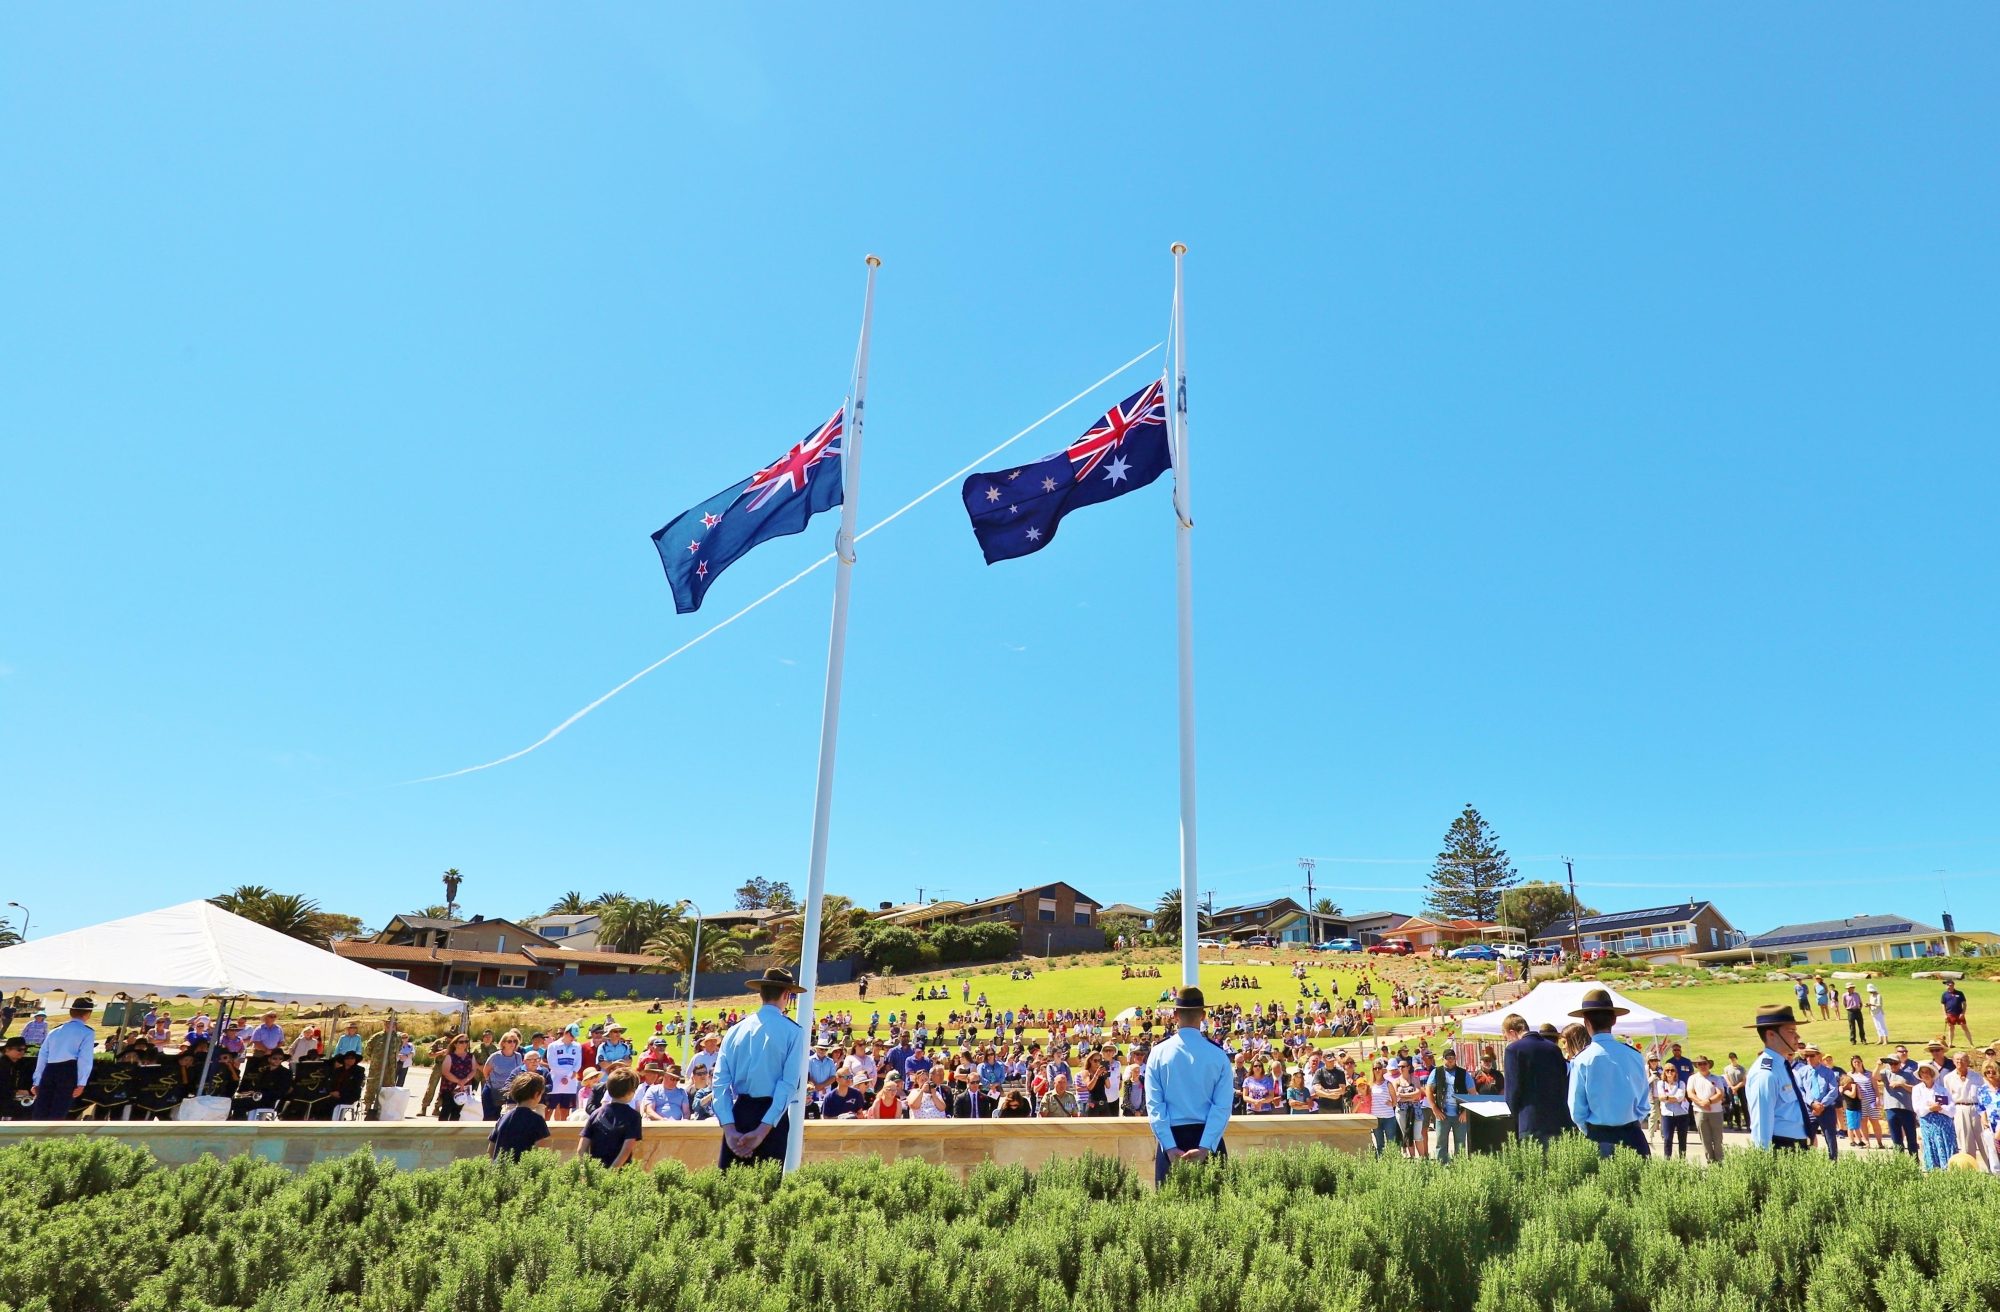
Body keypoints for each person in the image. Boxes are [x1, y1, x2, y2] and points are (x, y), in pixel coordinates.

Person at [713, 967, 804, 1169]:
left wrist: (729, 1129)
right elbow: (788, 1085)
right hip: (772, 1117)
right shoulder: (793, 1031)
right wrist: (763, 1131)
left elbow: (719, 1084)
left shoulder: (735, 1030)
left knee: (728, 1190)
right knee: (766, 1193)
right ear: (786, 995)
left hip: (739, 1113)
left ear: (760, 993)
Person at [1142, 986, 1232, 1184]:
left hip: (1172, 1138)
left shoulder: (1158, 1054)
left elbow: (1155, 1107)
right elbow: (1222, 1107)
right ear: (1203, 1015)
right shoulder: (1218, 1055)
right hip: (1208, 1138)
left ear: (1175, 1014)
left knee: (1170, 1210)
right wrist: (1206, 1146)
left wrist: (1169, 1146)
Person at [1565, 989, 1650, 1158]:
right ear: (1614, 1020)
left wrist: (1589, 1130)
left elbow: (1576, 1109)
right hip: (1632, 1134)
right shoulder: (1633, 1055)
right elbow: (1643, 1102)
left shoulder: (1582, 1060)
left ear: (1586, 1022)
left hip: (1598, 1136)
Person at [1744, 1004, 1813, 1151]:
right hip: (1781, 1147)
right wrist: (1764, 1162)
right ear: (1771, 1035)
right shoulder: (1765, 1073)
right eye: (1791, 1031)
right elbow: (1761, 1124)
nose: (1797, 1036)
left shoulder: (1782, 1066)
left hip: (1796, 1144)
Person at [1501, 1014, 1571, 1146]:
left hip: (1530, 1120)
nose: (1507, 1041)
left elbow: (1512, 1091)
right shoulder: (1553, 1048)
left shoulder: (1513, 1049)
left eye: (1506, 1038)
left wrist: (1516, 1115)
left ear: (1512, 1032)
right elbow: (1562, 1082)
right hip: (1557, 1119)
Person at [29, 998, 97, 1121]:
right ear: (88, 1014)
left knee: (42, 1106)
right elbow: (85, 1059)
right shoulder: (87, 1032)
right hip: (68, 1071)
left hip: (50, 1069)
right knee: (59, 1109)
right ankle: (50, 1137)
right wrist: (81, 1083)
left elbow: (42, 1056)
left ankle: (35, 1136)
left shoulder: (55, 1031)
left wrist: (37, 1080)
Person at [576, 1068, 643, 1169]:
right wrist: (612, 1172)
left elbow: (581, 1149)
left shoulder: (596, 1113)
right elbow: (626, 1149)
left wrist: (586, 1170)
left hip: (596, 1171)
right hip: (620, 1173)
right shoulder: (633, 1116)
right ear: (631, 1092)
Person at [1939, 1049, 1989, 1166]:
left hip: (1977, 1109)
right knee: (1965, 1142)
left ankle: (1993, 1170)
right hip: (1959, 1109)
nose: (1960, 1062)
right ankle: (1970, 1171)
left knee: (1984, 1140)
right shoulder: (1948, 1078)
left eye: (1963, 1060)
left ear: (1967, 1061)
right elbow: (1947, 1097)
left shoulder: (1977, 1077)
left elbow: (1983, 1095)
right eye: (1957, 1060)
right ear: (1953, 1062)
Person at [488, 1071, 551, 1161]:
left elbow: (490, 1150)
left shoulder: (503, 1117)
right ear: (537, 1094)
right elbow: (541, 1152)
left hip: (500, 1171)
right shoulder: (537, 1120)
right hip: (522, 1172)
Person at [1795, 1046, 1841, 1159]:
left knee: (1830, 1138)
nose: (1808, 1058)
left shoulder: (1828, 1072)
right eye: (1807, 1055)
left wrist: (1821, 1105)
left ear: (1819, 1056)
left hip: (1826, 1109)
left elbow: (1833, 1090)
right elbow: (1800, 1090)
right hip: (1809, 1110)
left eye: (1812, 1055)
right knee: (1806, 1138)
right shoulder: (1802, 1072)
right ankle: (1807, 1163)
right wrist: (1812, 1104)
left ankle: (1833, 1163)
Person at [1427, 1047, 1472, 1163]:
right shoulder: (1436, 1072)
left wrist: (1466, 1112)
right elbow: (1428, 1090)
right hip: (1442, 1113)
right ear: (1443, 1059)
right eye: (1448, 1058)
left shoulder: (1464, 1073)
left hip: (1460, 1115)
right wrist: (1434, 1108)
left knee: (1461, 1144)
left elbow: (1472, 1093)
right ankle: (1441, 1167)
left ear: (1455, 1059)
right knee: (1441, 1143)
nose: (1450, 1060)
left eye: (1452, 1057)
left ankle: (1460, 1167)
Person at [1912, 1063, 1957, 1170]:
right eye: (1923, 1072)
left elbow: (1952, 1108)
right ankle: (1934, 1170)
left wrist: (1941, 1108)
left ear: (1932, 1073)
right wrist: (1930, 1109)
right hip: (1928, 1124)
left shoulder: (1942, 1090)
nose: (1925, 1074)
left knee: (1947, 1145)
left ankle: (1949, 1169)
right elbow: (1917, 1108)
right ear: (1920, 1075)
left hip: (1944, 1124)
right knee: (1931, 1146)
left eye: (1927, 1072)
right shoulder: (1917, 1089)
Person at [1686, 1056, 1727, 1164]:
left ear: (1708, 1064)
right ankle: (1710, 1161)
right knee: (1705, 1139)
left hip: (1716, 1111)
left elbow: (1720, 1094)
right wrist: (1701, 1103)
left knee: (1718, 1139)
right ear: (1697, 1066)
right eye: (1700, 1064)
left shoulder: (1716, 1078)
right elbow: (1690, 1093)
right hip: (1700, 1111)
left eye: (1704, 1063)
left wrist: (1708, 1102)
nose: (1703, 1066)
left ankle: (1719, 1161)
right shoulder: (1693, 1078)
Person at [481, 1032, 525, 1122]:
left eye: (514, 1041)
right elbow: (486, 1072)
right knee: (489, 1118)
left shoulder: (518, 1056)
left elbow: (519, 1072)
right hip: (492, 1091)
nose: (512, 1043)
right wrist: (493, 1083)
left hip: (509, 1092)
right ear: (503, 1043)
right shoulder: (495, 1056)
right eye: (509, 1041)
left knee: (505, 1118)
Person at [1878, 1056, 1918, 1155]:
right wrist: (1878, 1066)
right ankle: (1900, 1162)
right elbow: (1875, 1077)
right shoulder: (1886, 1073)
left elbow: (1915, 1089)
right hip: (1891, 1109)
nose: (1893, 1066)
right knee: (1896, 1138)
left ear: (1900, 1063)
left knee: (1911, 1137)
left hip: (1906, 1108)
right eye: (1891, 1064)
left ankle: (1914, 1162)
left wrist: (1901, 1084)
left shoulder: (1908, 1075)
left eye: (1895, 1063)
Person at [1651, 1061, 1692, 1158]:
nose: (1670, 1072)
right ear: (1664, 1072)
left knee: (1682, 1139)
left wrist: (1667, 1098)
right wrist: (1672, 1098)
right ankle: (1667, 1160)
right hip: (1667, 1114)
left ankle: (1682, 1160)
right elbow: (1661, 1097)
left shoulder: (1681, 1083)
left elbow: (1680, 1097)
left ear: (1675, 1072)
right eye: (1667, 1070)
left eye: (1672, 1070)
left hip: (1681, 1114)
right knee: (1668, 1139)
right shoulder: (1661, 1083)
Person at [544, 1028, 584, 1122]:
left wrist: (568, 1076)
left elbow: (578, 1062)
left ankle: (563, 1133)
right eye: (571, 1035)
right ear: (566, 1033)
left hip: (570, 1082)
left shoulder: (577, 1046)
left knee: (565, 1109)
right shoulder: (553, 1046)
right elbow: (552, 1064)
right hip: (555, 1080)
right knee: (549, 1108)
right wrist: (566, 1074)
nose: (573, 1038)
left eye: (575, 1036)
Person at [1941, 980, 1972, 1048]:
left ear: (1953, 985)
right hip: (1950, 1013)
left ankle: (1971, 1044)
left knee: (1964, 1027)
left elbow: (1964, 1004)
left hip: (1959, 1014)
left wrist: (1963, 1013)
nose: (1948, 987)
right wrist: (1944, 1015)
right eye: (1947, 985)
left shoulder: (1959, 993)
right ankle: (1950, 1043)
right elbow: (1943, 1005)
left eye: (1949, 985)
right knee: (1951, 1028)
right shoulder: (1944, 994)